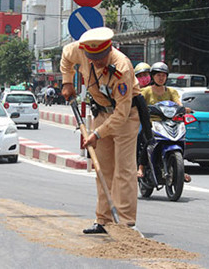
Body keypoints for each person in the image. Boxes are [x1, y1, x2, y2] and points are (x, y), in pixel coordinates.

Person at [61, 27, 147, 233]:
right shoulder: (80, 51)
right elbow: (65, 56)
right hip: (100, 112)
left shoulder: (122, 67)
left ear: (109, 49)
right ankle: (103, 220)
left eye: (100, 57)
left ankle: (125, 223)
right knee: (102, 169)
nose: (97, 62)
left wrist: (96, 134)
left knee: (124, 169)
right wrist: (66, 82)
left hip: (125, 117)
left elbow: (121, 113)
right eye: (93, 58)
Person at [138, 62, 192, 182]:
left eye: (163, 75)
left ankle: (179, 170)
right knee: (146, 140)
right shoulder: (146, 91)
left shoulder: (171, 92)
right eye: (158, 75)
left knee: (180, 141)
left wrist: (184, 109)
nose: (161, 78)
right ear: (153, 76)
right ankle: (141, 167)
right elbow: (139, 104)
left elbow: (178, 104)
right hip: (152, 124)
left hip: (169, 124)